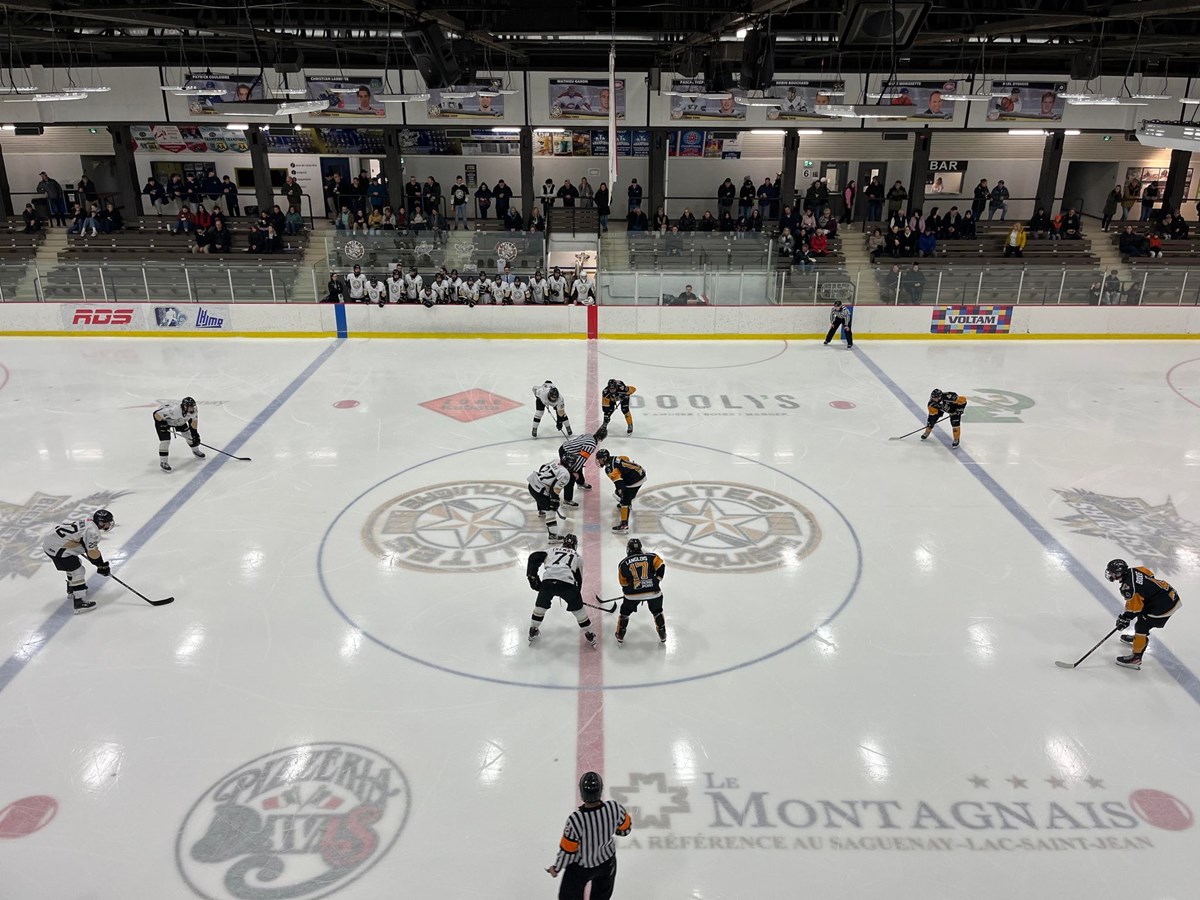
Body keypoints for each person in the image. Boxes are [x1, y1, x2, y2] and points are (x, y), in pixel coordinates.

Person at [546, 771, 631, 898]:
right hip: (607, 863)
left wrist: (556, 868)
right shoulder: (614, 808)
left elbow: (567, 850)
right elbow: (626, 829)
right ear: (600, 790)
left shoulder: (576, 820)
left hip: (581, 868)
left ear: (581, 792)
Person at [1105, 559, 1183, 669]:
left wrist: (1125, 619)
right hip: (1169, 594)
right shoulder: (1134, 570)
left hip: (1165, 606)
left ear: (1119, 573)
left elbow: (1134, 609)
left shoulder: (1128, 588)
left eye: (1113, 572)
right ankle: (1138, 639)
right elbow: (1150, 575)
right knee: (1142, 615)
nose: (1110, 574)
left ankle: (1136, 658)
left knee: (1142, 626)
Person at [526, 534, 595, 646]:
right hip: (567, 584)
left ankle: (533, 629)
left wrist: (532, 578)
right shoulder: (578, 557)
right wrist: (576, 597)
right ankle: (589, 634)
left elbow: (533, 557)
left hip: (547, 582)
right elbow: (579, 579)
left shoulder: (551, 550)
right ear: (575, 545)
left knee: (540, 607)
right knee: (579, 612)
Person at [42, 508, 115, 614]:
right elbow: (92, 553)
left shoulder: (89, 522)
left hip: (52, 542)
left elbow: (80, 539)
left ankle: (72, 588)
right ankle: (79, 602)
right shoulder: (93, 532)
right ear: (101, 523)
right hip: (56, 547)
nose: (110, 524)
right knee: (78, 571)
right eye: (108, 522)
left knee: (74, 565)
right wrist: (102, 566)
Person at [612, 537, 667, 644]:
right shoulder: (652, 557)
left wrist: (629, 590)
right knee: (657, 612)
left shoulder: (623, 563)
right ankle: (662, 634)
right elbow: (661, 566)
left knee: (624, 614)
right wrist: (657, 581)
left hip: (632, 595)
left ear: (628, 549)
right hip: (654, 592)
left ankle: (620, 635)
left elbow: (623, 582)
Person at [597, 449, 645, 535]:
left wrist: (621, 494)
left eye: (599, 459)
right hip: (640, 472)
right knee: (623, 495)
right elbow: (626, 458)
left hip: (635, 480)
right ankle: (627, 504)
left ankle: (624, 525)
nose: (598, 461)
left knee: (624, 500)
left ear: (604, 459)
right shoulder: (614, 458)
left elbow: (619, 483)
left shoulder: (610, 469)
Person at [153, 396, 205, 472]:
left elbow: (193, 422)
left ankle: (196, 450)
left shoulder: (194, 410)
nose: (192, 408)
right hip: (165, 421)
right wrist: (162, 425)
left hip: (180, 421)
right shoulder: (174, 411)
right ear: (185, 406)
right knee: (165, 441)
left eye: (193, 406)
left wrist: (195, 435)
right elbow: (156, 414)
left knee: (189, 436)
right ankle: (163, 462)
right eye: (190, 407)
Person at [558, 427, 607, 506]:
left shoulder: (589, 435)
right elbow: (582, 458)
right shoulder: (591, 445)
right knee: (571, 476)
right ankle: (567, 500)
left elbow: (578, 439)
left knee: (578, 468)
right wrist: (573, 470)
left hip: (566, 448)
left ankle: (580, 483)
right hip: (566, 453)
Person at [528, 460, 571, 542]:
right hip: (539, 490)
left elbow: (542, 466)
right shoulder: (566, 474)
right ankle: (553, 536)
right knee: (551, 511)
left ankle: (542, 511)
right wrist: (554, 502)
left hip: (532, 483)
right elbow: (554, 490)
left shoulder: (556, 461)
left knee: (543, 497)